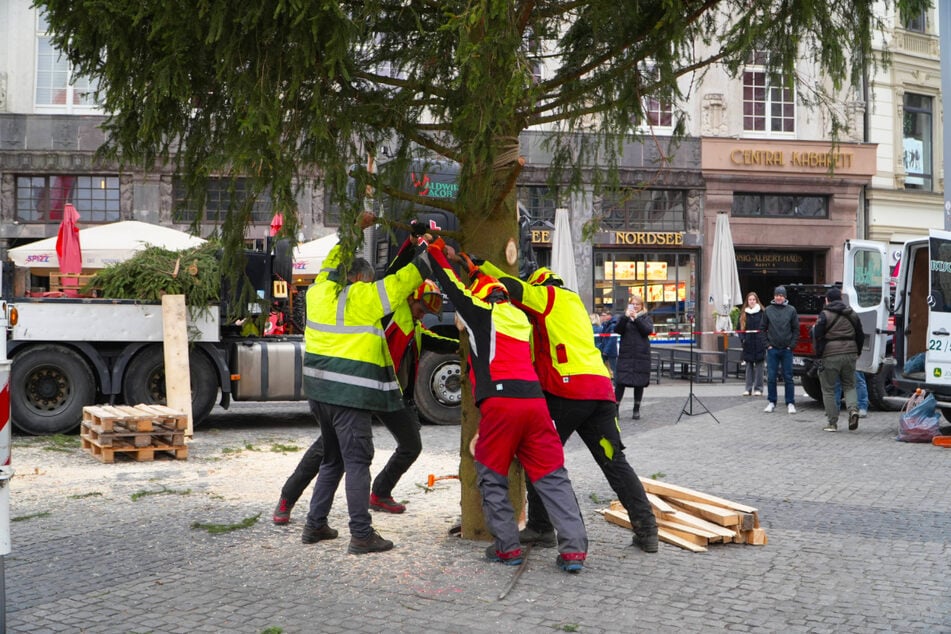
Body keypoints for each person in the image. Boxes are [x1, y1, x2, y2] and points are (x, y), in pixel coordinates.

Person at [274, 228, 455, 526]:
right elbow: (396, 277)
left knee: (411, 444)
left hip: (386, 391)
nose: (425, 312)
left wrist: (465, 345)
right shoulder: (385, 310)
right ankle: (287, 498)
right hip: (358, 388)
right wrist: (423, 250)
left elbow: (434, 340)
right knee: (328, 452)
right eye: (423, 305)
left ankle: (380, 492)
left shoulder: (414, 324)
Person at [478, 263, 659, 554]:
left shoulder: (548, 295)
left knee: (539, 457)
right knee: (614, 461)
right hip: (600, 391)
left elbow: (511, 286)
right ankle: (647, 531)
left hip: (566, 392)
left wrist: (478, 267)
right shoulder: (574, 305)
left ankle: (541, 527)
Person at [429, 250, 589, 572]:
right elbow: (484, 287)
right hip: (535, 404)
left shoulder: (480, 312)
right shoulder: (519, 318)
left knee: (490, 473)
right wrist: (472, 265)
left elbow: (449, 284)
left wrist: (430, 248)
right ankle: (573, 551)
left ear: (482, 298)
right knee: (552, 476)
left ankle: (507, 548)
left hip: (501, 405)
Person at [300, 231, 433, 555]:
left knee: (333, 459)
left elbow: (331, 263)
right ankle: (361, 534)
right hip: (350, 395)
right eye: (368, 279)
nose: (370, 284)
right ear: (359, 278)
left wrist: (353, 228)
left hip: (318, 392)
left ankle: (315, 524)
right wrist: (431, 251)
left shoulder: (317, 292)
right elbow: (406, 280)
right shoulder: (365, 299)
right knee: (358, 461)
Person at [812, 287, 865, 432]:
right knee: (849, 385)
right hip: (850, 353)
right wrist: (858, 351)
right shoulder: (852, 313)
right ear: (841, 299)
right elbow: (860, 334)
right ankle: (853, 410)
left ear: (827, 300)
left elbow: (818, 335)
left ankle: (832, 422)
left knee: (828, 389)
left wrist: (819, 355)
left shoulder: (824, 314)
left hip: (831, 354)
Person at [614, 294, 654, 420]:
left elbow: (647, 330)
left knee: (639, 382)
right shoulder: (624, 317)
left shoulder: (646, 318)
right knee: (620, 382)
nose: (635, 306)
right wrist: (626, 318)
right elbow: (618, 330)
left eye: (638, 304)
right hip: (626, 354)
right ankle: (616, 409)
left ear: (642, 306)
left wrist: (636, 319)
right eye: (633, 304)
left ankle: (636, 409)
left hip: (641, 354)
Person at [762, 286, 799, 414]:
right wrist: (767, 345)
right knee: (771, 377)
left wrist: (791, 345)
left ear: (785, 297)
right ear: (774, 296)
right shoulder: (768, 310)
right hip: (772, 349)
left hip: (786, 349)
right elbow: (762, 329)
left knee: (788, 377)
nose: (779, 297)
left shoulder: (791, 310)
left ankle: (790, 402)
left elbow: (796, 329)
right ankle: (772, 402)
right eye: (777, 295)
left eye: (781, 295)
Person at [738, 291, 767, 396]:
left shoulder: (762, 313)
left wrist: (764, 340)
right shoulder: (743, 314)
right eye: (750, 300)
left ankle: (759, 389)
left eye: (753, 300)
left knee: (759, 367)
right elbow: (739, 329)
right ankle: (748, 388)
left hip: (759, 343)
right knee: (749, 366)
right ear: (747, 301)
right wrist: (743, 339)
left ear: (756, 300)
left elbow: (766, 327)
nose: (752, 301)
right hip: (748, 343)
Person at [596, 310, 619, 378]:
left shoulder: (612, 325)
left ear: (609, 316)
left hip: (610, 350)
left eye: (605, 315)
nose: (604, 317)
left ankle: (616, 382)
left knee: (613, 367)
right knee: (606, 366)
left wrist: (606, 350)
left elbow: (612, 339)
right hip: (606, 348)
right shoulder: (607, 324)